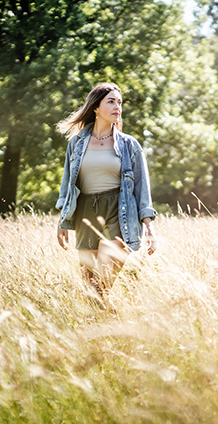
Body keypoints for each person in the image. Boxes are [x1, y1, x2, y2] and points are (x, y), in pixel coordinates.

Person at [55, 83, 157, 296]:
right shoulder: (76, 143)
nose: (117, 107)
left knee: (102, 283)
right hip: (85, 213)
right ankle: (105, 317)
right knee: (91, 289)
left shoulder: (129, 145)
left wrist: (148, 225)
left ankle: (107, 315)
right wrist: (62, 220)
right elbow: (67, 185)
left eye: (119, 102)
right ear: (95, 107)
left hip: (118, 211)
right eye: (111, 102)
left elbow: (142, 187)